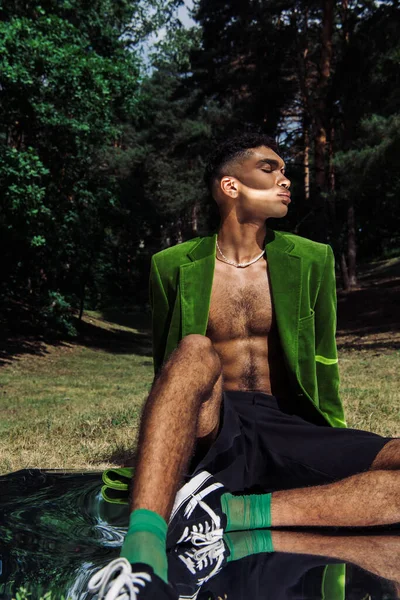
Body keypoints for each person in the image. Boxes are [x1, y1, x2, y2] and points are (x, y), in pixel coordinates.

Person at [88, 132, 400, 599]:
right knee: (193, 348)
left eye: (285, 171)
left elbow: (322, 361)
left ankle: (230, 511)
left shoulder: (312, 259)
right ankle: (142, 561)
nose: (286, 181)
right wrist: (166, 449)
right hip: (217, 419)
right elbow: (170, 370)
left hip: (286, 420)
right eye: (270, 170)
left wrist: (332, 440)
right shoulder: (171, 265)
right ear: (230, 186)